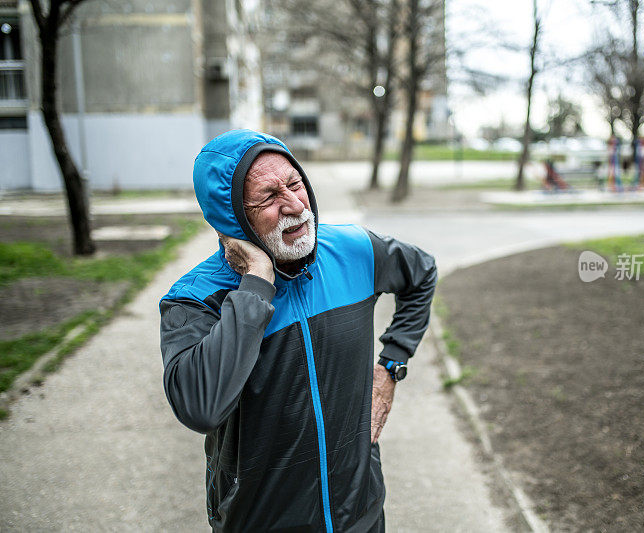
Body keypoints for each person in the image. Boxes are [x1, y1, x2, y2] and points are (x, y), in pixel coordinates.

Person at [159, 129, 437, 532]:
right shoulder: (195, 299)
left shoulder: (352, 249)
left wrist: (392, 365)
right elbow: (200, 407)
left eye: (295, 184)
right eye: (269, 196)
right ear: (233, 217)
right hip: (260, 522)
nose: (295, 205)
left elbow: (422, 273)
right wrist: (257, 282)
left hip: (360, 514)